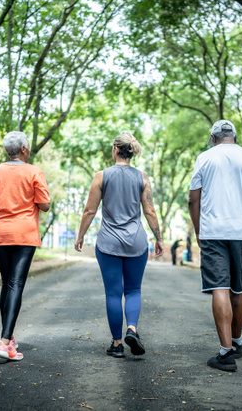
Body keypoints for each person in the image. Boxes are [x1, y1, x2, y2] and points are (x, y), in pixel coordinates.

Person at [188, 119, 242, 372]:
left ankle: (225, 354)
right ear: (234, 137)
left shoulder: (204, 158)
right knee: (238, 288)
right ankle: (237, 343)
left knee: (219, 288)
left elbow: (194, 199)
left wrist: (199, 231)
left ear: (213, 138)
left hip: (214, 232)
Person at [75, 132, 164, 358]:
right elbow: (150, 211)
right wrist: (159, 238)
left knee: (113, 294)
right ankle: (132, 329)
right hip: (136, 243)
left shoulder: (101, 176)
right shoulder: (142, 177)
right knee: (133, 289)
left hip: (108, 243)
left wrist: (80, 236)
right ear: (131, 152)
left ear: (115, 150)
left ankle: (116, 344)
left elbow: (90, 210)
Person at [0, 131, 51, 361]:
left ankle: (9, 338)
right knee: (16, 284)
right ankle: (4, 342)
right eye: (29, 145)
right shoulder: (34, 171)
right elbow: (44, 206)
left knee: (7, 283)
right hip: (23, 234)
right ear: (23, 149)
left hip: (0, 233)